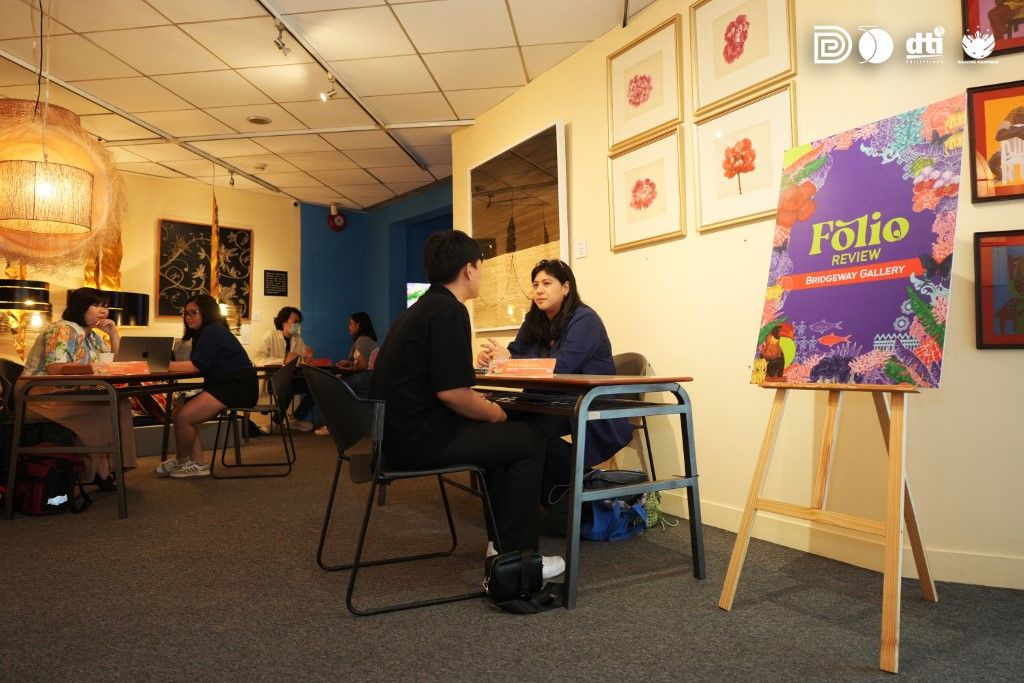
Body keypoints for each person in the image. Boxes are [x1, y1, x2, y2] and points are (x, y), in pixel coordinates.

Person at [369, 230, 564, 579]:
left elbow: (440, 388)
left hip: (393, 436)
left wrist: (484, 409)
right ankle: (520, 558)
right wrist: (494, 412)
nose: (482, 274)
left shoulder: (419, 310)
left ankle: (502, 548)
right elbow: (453, 393)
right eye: (481, 266)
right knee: (528, 441)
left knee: (502, 443)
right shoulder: (449, 311)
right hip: (418, 441)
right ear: (468, 269)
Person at [476, 259, 633, 502]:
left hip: (582, 402)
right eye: (535, 284)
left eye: (547, 283)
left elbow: (563, 365)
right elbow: (514, 353)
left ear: (566, 287)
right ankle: (518, 496)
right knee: (495, 417)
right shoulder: (534, 320)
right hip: (546, 400)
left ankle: (583, 479)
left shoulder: (585, 319)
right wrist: (492, 359)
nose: (539, 290)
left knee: (529, 433)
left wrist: (509, 360)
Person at [22, 287, 136, 490]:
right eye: (96, 305)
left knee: (121, 402)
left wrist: (113, 334)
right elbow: (55, 369)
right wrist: (94, 369)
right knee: (103, 405)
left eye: (105, 306)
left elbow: (114, 364)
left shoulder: (93, 336)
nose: (103, 311)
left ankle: (114, 465)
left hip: (67, 390)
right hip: (38, 392)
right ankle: (99, 468)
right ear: (80, 307)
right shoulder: (63, 328)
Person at [157, 294, 258, 478]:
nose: (189, 317)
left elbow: (197, 366)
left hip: (237, 386)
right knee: (180, 413)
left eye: (194, 312)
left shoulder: (213, 330)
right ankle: (197, 463)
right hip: (224, 384)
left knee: (184, 417)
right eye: (186, 313)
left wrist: (161, 365)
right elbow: (200, 364)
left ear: (207, 312)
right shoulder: (204, 333)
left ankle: (182, 460)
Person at [252, 306, 316, 433]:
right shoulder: (270, 336)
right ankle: (275, 422)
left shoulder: (298, 338)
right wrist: (283, 360)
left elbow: (300, 360)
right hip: (273, 379)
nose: (297, 325)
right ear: (284, 321)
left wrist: (307, 358)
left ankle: (296, 418)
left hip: (293, 377)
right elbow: (258, 359)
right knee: (287, 387)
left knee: (316, 386)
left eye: (299, 322)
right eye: (295, 321)